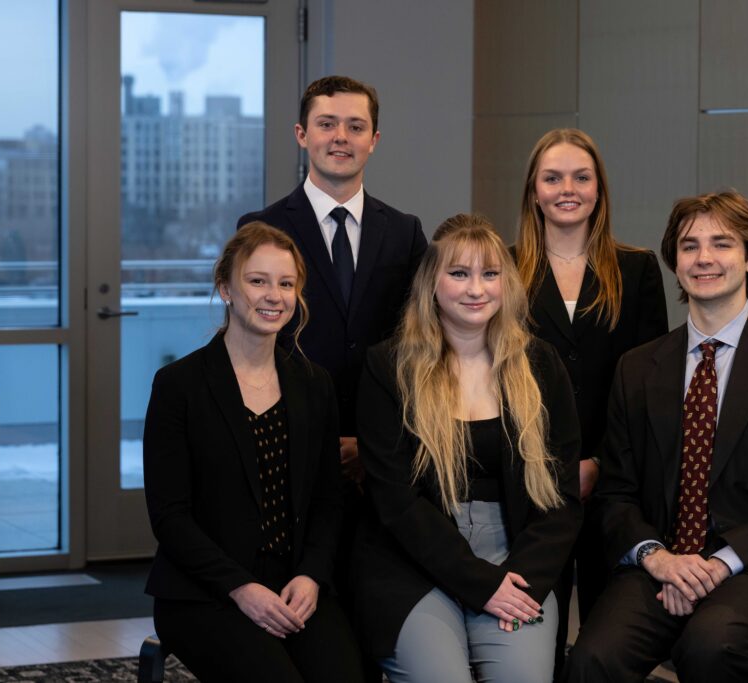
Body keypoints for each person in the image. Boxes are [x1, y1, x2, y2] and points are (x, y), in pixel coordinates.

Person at [566, 191, 748, 682]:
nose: (705, 259)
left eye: (722, 244)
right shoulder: (637, 368)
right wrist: (659, 559)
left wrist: (717, 564)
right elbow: (616, 494)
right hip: (662, 559)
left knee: (711, 647)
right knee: (592, 657)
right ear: (675, 262)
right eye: (689, 246)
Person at [354, 214, 583, 683]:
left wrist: (517, 580)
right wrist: (480, 583)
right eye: (459, 273)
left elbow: (560, 498)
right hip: (414, 560)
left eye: (490, 274)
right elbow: (395, 503)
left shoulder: (541, 363)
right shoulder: (389, 367)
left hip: (516, 558)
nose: (476, 288)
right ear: (431, 284)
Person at [143, 222, 364, 682]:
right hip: (206, 592)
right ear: (226, 287)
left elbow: (328, 501)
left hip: (294, 583)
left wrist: (311, 576)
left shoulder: (313, 384)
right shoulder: (179, 386)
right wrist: (240, 587)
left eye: (286, 284)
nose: (273, 295)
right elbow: (170, 517)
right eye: (257, 281)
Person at [514, 128, 669, 657]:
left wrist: (599, 460)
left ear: (599, 189)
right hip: (527, 481)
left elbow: (651, 385)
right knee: (534, 637)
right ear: (533, 190)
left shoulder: (637, 268)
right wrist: (554, 465)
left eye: (582, 177)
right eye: (552, 177)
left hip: (614, 483)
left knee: (606, 644)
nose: (567, 189)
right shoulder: (504, 271)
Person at [237, 74, 427, 486]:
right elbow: (248, 344)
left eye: (355, 127)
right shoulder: (260, 229)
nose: (341, 137)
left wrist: (373, 435)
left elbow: (419, 340)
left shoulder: (405, 232)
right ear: (302, 135)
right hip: (287, 441)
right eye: (326, 124)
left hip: (382, 449)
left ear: (373, 140)